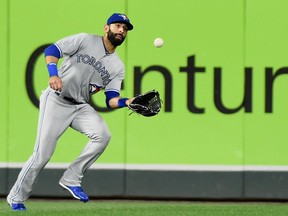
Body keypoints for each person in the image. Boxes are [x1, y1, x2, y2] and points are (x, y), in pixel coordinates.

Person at [7, 13, 134, 211]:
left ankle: (72, 178)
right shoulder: (85, 40)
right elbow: (53, 49)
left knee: (103, 135)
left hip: (80, 105)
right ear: (106, 28)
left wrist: (129, 101)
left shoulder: (117, 66)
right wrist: (53, 74)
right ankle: (16, 197)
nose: (121, 30)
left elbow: (111, 100)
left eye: (125, 29)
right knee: (42, 155)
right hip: (56, 100)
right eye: (118, 26)